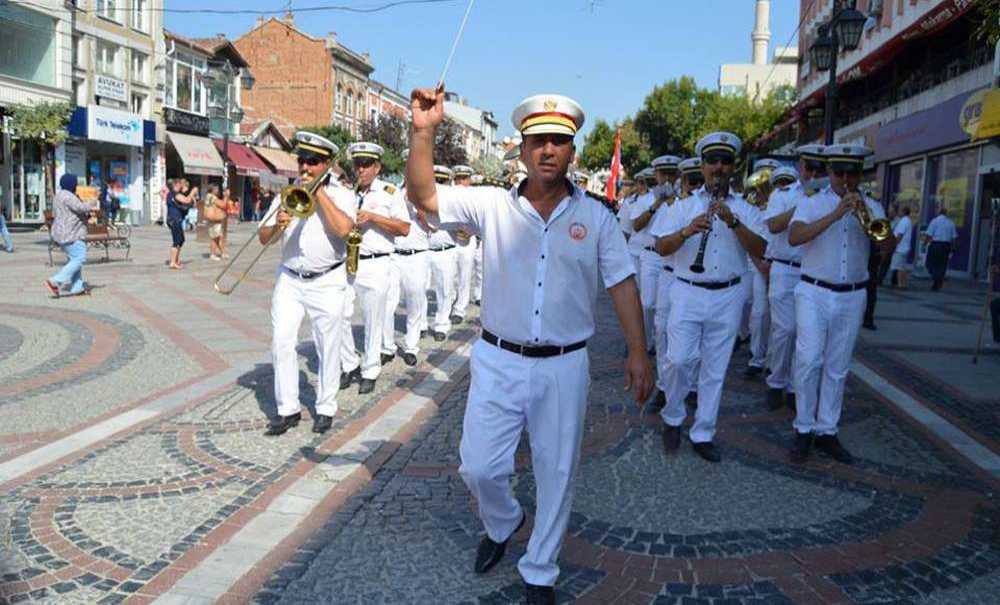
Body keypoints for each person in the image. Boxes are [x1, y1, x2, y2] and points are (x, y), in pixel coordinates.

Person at [407, 88, 652, 604]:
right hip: (498, 358)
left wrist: (637, 351)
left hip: (564, 364)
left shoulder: (600, 219)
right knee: (478, 466)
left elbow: (623, 283)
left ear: (572, 154)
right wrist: (423, 131)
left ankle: (540, 570)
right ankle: (503, 521)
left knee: (556, 470)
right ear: (520, 149)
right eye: (537, 141)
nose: (547, 151)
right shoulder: (491, 206)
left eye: (559, 142)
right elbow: (425, 197)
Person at [653, 132, 767, 463]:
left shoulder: (745, 209)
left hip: (729, 294)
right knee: (678, 360)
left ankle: (703, 432)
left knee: (715, 369)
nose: (719, 167)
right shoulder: (683, 206)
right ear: (702, 166)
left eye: (725, 161)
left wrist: (734, 223)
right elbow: (661, 247)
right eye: (712, 161)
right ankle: (673, 417)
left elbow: (761, 250)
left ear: (734, 167)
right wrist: (687, 230)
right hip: (687, 291)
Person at [787, 144, 894, 464]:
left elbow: (886, 246)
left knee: (837, 366)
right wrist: (836, 214)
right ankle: (803, 429)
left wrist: (872, 225)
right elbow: (795, 237)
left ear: (860, 174)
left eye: (852, 173)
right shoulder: (813, 202)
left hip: (853, 293)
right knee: (808, 360)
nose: (846, 179)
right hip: (813, 291)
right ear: (829, 172)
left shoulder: (872, 206)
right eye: (839, 172)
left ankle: (827, 431)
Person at [262, 131, 357, 436]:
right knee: (282, 342)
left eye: (313, 162)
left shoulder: (343, 195)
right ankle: (287, 409)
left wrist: (320, 195)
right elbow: (264, 238)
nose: (305, 167)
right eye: (302, 160)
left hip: (327, 280)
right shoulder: (285, 195)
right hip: (289, 279)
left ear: (327, 164)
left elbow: (345, 230)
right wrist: (278, 223)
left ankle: (325, 406)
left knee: (327, 345)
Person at [339, 142, 411, 395]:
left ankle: (370, 369)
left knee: (373, 320)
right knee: (340, 315)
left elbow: (404, 228)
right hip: (349, 260)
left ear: (377, 167)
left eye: (366, 164)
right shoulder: (347, 191)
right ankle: (349, 363)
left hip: (378, 262)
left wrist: (373, 217)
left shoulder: (389, 193)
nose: (361, 169)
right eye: (357, 164)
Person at [648, 157, 701, 412]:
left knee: (695, 335)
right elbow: (659, 245)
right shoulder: (673, 207)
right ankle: (663, 384)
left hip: (696, 281)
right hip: (670, 274)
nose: (693, 185)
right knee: (662, 330)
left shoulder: (706, 205)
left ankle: (691, 386)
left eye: (698, 180)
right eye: (690, 180)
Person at [762, 161, 806, 411]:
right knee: (785, 329)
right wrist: (801, 206)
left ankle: (794, 386)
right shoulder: (782, 195)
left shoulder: (823, 197)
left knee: (804, 333)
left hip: (811, 270)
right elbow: (773, 225)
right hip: (784, 268)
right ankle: (776, 381)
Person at [743, 158, 781, 379]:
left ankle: (773, 360)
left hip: (781, 265)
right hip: (758, 263)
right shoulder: (751, 208)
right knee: (759, 313)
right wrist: (760, 265)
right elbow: (748, 238)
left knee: (780, 320)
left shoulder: (784, 202)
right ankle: (756, 358)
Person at [44, 173, 97, 297]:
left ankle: (76, 287)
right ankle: (55, 281)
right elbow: (81, 208)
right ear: (72, 184)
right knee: (80, 258)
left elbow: (72, 212)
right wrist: (93, 202)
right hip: (71, 233)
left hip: (62, 233)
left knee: (74, 259)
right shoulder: (68, 196)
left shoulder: (59, 196)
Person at [425, 165, 458, 341]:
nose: (438, 185)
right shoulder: (424, 199)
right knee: (420, 289)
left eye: (440, 181)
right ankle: (421, 324)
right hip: (425, 250)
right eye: (435, 181)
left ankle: (442, 324)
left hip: (445, 251)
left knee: (444, 290)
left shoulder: (452, 203)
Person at [923, 205, 958, 291]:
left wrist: (925, 243)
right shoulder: (951, 223)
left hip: (935, 244)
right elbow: (954, 238)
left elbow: (929, 234)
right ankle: (938, 279)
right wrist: (953, 248)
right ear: (946, 214)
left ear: (939, 213)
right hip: (946, 246)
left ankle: (936, 278)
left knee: (930, 263)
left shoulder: (934, 221)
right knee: (942, 264)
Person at [166, 179, 195, 270]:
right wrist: (192, 192)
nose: (181, 186)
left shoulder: (171, 194)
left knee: (181, 240)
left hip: (175, 219)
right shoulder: (174, 194)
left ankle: (175, 260)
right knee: (177, 241)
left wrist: (187, 192)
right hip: (175, 219)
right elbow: (186, 200)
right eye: (179, 185)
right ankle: (172, 262)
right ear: (175, 185)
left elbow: (188, 202)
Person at [889, 205, 913, 289]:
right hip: (904, 247)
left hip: (900, 248)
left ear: (903, 212)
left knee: (899, 267)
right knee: (902, 266)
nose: (898, 212)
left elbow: (899, 235)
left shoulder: (904, 221)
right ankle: (903, 284)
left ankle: (900, 284)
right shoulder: (908, 220)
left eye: (899, 210)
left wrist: (894, 245)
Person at [203, 184, 228, 261]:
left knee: (218, 236)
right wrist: (226, 196)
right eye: (216, 189)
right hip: (214, 220)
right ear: (212, 190)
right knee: (215, 237)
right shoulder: (212, 197)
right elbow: (223, 205)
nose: (218, 191)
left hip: (211, 219)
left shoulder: (208, 196)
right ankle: (213, 254)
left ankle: (223, 252)